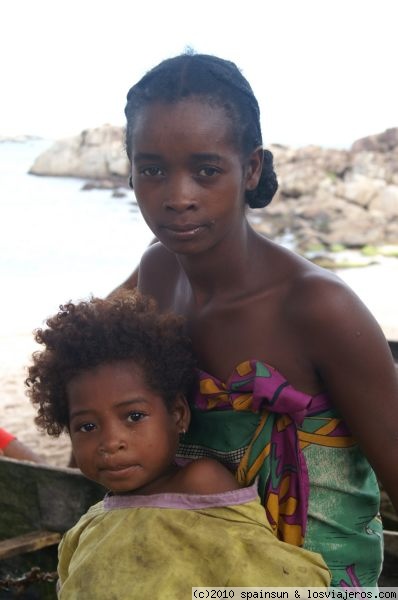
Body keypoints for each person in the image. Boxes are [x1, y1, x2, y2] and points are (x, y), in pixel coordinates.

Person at [114, 52, 398, 588]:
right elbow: (78, 358)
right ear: (130, 172)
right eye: (152, 169)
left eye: (206, 170)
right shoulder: (154, 276)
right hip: (194, 568)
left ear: (251, 168)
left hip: (312, 582)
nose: (178, 197)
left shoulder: (317, 307)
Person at [25, 292, 330, 598]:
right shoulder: (87, 528)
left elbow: (261, 574)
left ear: (178, 415)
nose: (110, 442)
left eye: (134, 416)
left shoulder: (199, 482)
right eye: (87, 426)